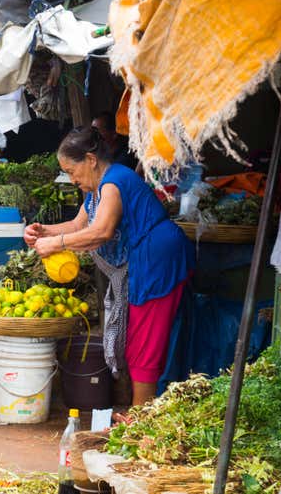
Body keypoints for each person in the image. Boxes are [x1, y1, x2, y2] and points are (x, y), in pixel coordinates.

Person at [25, 127, 195, 406]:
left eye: (71, 170)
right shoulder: (96, 188)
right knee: (139, 340)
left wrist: (57, 244)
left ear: (90, 160)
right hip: (147, 259)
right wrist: (43, 232)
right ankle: (142, 414)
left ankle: (141, 419)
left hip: (157, 259)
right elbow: (79, 225)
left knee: (145, 343)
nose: (71, 178)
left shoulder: (113, 182)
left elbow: (101, 231)